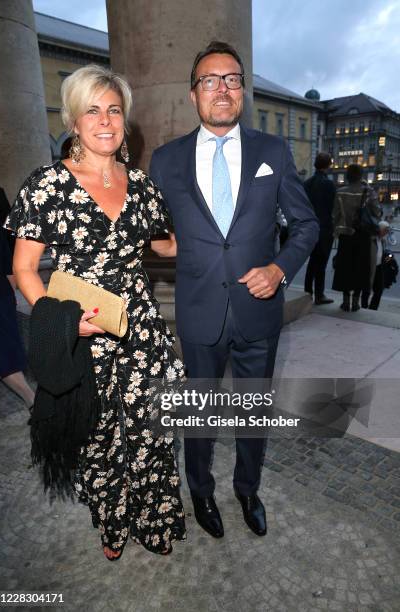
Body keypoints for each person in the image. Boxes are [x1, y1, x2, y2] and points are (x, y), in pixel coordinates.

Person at [5, 64, 186, 560]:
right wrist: (59, 319)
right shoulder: (47, 185)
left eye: (114, 110)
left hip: (142, 329)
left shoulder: (143, 185)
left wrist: (209, 233)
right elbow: (23, 269)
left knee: (153, 428)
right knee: (99, 437)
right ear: (72, 119)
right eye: (93, 110)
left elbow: (165, 245)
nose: (105, 120)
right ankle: (112, 520)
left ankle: (154, 517)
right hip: (83, 333)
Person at [150, 41, 319, 539]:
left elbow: (306, 225)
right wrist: (159, 245)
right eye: (210, 80)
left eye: (231, 80)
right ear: (193, 94)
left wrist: (280, 269)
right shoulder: (165, 160)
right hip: (200, 313)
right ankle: (200, 491)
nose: (221, 89)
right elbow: (149, 228)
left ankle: (248, 489)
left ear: (243, 91)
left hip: (258, 312)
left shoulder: (273, 151)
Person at [0, 215, 35, 413]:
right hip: (2, 295)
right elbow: (6, 262)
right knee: (1, 354)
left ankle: (34, 403)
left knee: (3, 358)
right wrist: (11, 295)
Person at [332, 164, 381, 312]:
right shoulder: (368, 192)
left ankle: (346, 301)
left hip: (346, 235)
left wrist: (335, 232)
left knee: (345, 268)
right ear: (361, 176)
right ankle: (356, 302)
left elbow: (335, 215)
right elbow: (377, 213)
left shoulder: (340, 192)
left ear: (347, 176)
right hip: (363, 235)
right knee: (361, 268)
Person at [304, 152, 336, 304]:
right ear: (328, 165)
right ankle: (319, 294)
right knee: (321, 263)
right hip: (324, 228)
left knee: (312, 261)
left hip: (309, 228)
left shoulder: (308, 183)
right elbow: (333, 208)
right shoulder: (329, 184)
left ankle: (307, 292)